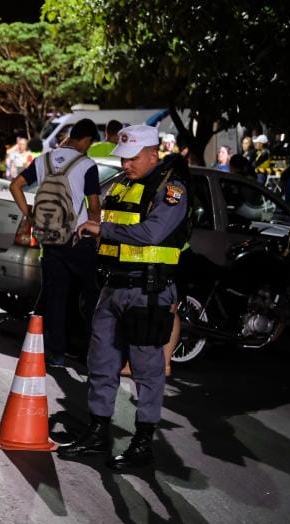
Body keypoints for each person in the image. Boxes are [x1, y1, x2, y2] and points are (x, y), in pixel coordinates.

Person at [61, 125, 190, 469]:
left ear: (153, 154)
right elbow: (104, 219)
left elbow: (152, 233)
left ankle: (143, 444)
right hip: (113, 288)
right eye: (123, 159)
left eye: (132, 159)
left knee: (147, 371)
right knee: (100, 364)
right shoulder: (122, 184)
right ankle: (98, 433)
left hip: (149, 292)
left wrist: (102, 229)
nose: (126, 165)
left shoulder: (171, 189)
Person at [9, 119, 101, 368]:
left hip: (50, 239)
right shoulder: (86, 165)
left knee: (57, 296)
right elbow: (93, 205)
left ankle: (56, 353)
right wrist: (97, 231)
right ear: (86, 140)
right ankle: (89, 352)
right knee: (91, 296)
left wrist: (29, 213)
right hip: (78, 240)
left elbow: (15, 185)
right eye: (90, 143)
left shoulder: (43, 160)